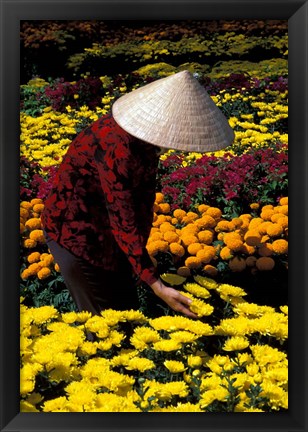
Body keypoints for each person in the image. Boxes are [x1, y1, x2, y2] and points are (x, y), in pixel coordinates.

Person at [41, 70, 234, 318]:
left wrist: (139, 265)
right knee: (105, 326)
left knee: (128, 313)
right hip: (76, 237)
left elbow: (141, 201)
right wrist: (156, 285)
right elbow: (123, 215)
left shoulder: (145, 142)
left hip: (111, 239)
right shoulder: (116, 146)